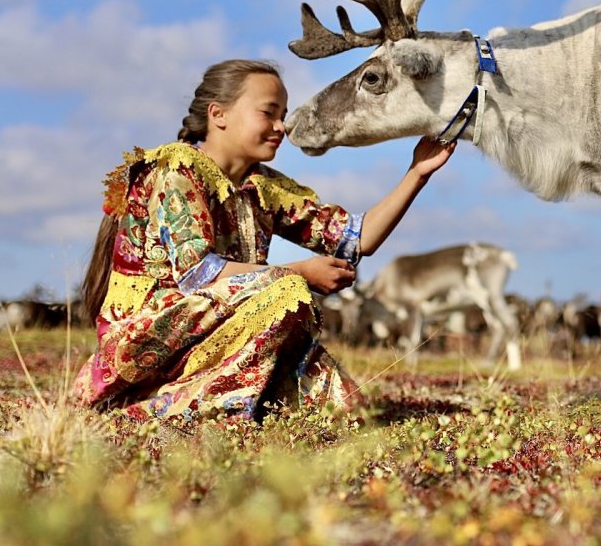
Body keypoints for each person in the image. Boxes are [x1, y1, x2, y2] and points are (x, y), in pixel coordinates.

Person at [73, 58, 454, 422]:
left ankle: (218, 400)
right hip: (144, 341)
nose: (281, 127)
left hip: (214, 324)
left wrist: (417, 172)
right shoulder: (175, 170)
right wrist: (301, 273)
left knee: (345, 411)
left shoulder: (263, 188)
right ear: (218, 114)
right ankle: (179, 406)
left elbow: (355, 239)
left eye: (283, 115)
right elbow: (196, 273)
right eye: (268, 112)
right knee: (286, 291)